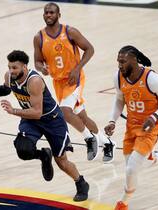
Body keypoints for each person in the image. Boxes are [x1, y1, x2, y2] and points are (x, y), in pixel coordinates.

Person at [0, 50, 89, 202]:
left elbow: (37, 112)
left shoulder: (34, 81)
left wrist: (13, 110)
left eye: (14, 68)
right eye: (9, 67)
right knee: (23, 150)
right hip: (31, 120)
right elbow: (5, 88)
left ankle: (81, 183)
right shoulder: (9, 76)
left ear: (24, 67)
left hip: (52, 120)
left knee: (61, 161)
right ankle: (43, 155)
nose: (11, 71)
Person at [104, 46, 158, 210]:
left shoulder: (152, 79)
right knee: (132, 166)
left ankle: (123, 202)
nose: (119, 65)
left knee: (132, 168)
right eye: (118, 61)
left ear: (134, 60)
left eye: (123, 61)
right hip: (131, 125)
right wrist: (112, 121)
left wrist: (154, 117)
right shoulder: (118, 77)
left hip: (151, 126)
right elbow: (119, 99)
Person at [33, 2, 116, 163]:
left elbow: (90, 49)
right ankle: (108, 143)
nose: (48, 15)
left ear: (59, 15)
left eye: (51, 12)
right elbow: (37, 61)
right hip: (58, 82)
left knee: (64, 111)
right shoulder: (39, 37)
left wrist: (78, 68)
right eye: (46, 13)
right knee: (82, 117)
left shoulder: (70, 31)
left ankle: (88, 138)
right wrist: (42, 68)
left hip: (74, 79)